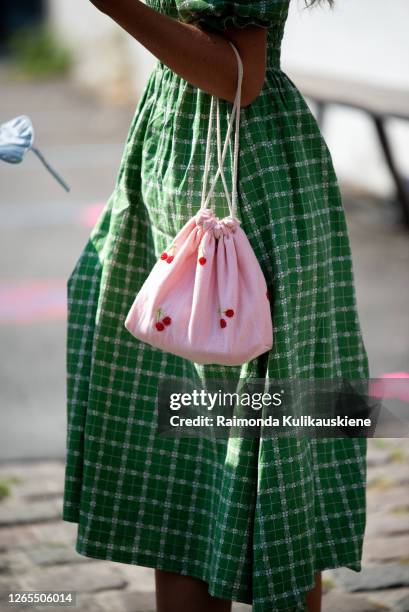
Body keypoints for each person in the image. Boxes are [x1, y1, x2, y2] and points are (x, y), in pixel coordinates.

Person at [62, 1, 369, 611]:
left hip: (239, 181)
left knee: (262, 426)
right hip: (197, 163)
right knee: (195, 454)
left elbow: (240, 75)